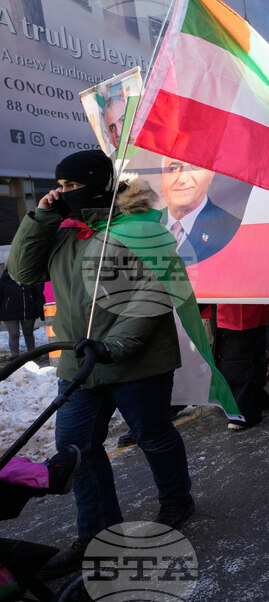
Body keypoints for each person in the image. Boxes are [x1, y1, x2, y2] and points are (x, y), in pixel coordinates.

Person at [8, 150, 194, 578]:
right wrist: (41, 218)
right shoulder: (63, 232)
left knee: (154, 436)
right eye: (59, 186)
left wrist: (113, 346)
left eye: (72, 186)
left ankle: (176, 498)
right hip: (80, 366)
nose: (63, 193)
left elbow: (153, 297)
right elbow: (23, 272)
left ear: (96, 184)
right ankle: (95, 533)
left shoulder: (138, 230)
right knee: (76, 450)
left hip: (135, 362)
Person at [160, 157, 241, 265]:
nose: (182, 179)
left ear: (211, 174)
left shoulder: (236, 232)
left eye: (195, 166)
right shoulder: (140, 225)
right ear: (162, 177)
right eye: (174, 168)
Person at [214, 304, 269, 430]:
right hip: (237, 307)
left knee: (244, 361)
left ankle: (245, 410)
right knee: (241, 360)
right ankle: (253, 404)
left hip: (239, 308)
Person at [1, 268, 45, 359]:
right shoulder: (3, 281)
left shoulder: (29, 278)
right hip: (9, 313)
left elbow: (38, 294)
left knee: (28, 333)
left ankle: (32, 354)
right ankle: (15, 356)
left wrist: (40, 309)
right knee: (14, 334)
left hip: (28, 311)